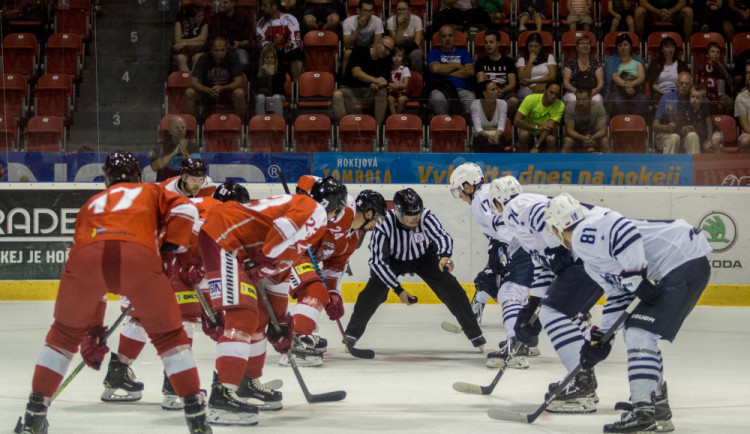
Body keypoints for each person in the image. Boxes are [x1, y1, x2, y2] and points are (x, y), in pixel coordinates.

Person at [16, 152, 211, 434]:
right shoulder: (151, 190)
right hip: (138, 257)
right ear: (139, 177)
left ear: (106, 179)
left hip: (85, 259)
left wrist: (93, 330)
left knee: (61, 338)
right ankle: (197, 420)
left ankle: (34, 416)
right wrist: (171, 252)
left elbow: (92, 276)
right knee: (171, 339)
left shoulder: (91, 204)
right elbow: (187, 211)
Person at [544, 192, 712, 433]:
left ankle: (643, 412)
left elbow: (625, 230)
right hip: (686, 262)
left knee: (638, 332)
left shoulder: (584, 232)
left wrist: (635, 276)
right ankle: (656, 406)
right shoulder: (591, 257)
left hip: (683, 260)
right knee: (640, 332)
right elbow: (618, 294)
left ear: (557, 227)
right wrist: (601, 339)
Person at [198, 179, 346, 424]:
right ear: (333, 205)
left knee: (260, 318)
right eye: (338, 209)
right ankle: (222, 394)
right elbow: (283, 227)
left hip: (239, 248)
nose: (337, 215)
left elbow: (279, 273)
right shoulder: (314, 210)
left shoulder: (307, 231)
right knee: (242, 316)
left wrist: (281, 322)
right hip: (226, 237)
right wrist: (266, 257)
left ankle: (246, 383)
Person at [101, 181, 250, 411]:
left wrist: (206, 302)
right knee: (185, 316)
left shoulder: (202, 205)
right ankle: (173, 387)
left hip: (139, 254)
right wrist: (186, 265)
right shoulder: (218, 214)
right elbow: (189, 240)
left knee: (141, 315)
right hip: (161, 256)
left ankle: (118, 373)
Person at [487, 176, 605, 414]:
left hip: (591, 250)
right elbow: (541, 265)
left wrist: (558, 247)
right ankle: (580, 378)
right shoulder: (525, 231)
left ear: (497, 202)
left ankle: (582, 384)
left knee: (555, 313)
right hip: (598, 251)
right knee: (571, 314)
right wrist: (531, 307)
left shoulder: (515, 208)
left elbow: (546, 213)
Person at [344, 188, 486, 352]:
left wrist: (445, 256)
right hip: (393, 260)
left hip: (424, 257)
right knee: (371, 293)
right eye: (409, 217)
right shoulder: (383, 224)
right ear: (398, 213)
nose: (414, 221)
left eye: (416, 216)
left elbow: (442, 236)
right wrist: (398, 290)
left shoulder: (426, 216)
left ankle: (475, 334)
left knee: (452, 288)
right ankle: (352, 334)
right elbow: (378, 263)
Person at [281, 184, 387, 367]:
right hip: (288, 247)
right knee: (315, 291)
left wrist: (333, 294)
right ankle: (296, 341)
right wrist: (305, 191)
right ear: (369, 213)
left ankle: (304, 331)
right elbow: (308, 181)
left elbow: (334, 270)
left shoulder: (352, 240)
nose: (375, 224)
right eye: (376, 218)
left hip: (300, 254)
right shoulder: (346, 208)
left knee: (317, 292)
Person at [448, 164, 537, 369]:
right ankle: (526, 341)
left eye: (459, 190)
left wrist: (505, 254)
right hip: (511, 246)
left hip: (514, 247)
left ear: (468, 186)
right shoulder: (487, 193)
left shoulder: (481, 199)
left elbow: (504, 227)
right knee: (495, 284)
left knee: (505, 290)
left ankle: (518, 344)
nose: (460, 196)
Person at [333, 36, 394, 126]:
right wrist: (374, 80)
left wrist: (377, 85)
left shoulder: (386, 60)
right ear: (378, 44)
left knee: (382, 92)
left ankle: (377, 130)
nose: (387, 53)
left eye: (390, 51)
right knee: (336, 94)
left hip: (369, 92)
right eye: (386, 48)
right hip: (350, 89)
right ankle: (345, 128)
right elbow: (356, 73)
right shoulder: (360, 51)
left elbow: (384, 81)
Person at [183, 37, 248, 120]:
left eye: (222, 50)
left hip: (227, 92)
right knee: (189, 92)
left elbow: (239, 80)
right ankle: (189, 126)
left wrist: (221, 88)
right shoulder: (203, 58)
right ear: (211, 49)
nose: (219, 53)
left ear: (226, 49)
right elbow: (193, 81)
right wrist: (208, 90)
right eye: (216, 50)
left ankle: (241, 126)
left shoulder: (232, 58)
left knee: (239, 93)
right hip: (207, 93)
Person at [426, 25, 475, 116]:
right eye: (444, 36)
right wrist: (457, 65)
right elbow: (435, 69)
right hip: (441, 89)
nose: (447, 39)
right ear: (439, 38)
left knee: (471, 98)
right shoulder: (433, 53)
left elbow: (470, 71)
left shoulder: (463, 53)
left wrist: (444, 71)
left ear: (454, 37)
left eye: (450, 35)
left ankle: (467, 126)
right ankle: (445, 125)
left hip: (462, 89)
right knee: (437, 98)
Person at [653, 71, 701, 154]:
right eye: (681, 83)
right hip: (666, 135)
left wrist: (692, 128)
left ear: (691, 86)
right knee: (674, 137)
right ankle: (670, 166)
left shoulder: (693, 100)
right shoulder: (667, 98)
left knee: (693, 136)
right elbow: (654, 126)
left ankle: (694, 166)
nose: (684, 86)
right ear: (676, 84)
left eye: (687, 84)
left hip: (683, 135)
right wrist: (666, 127)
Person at [256, 0, 303, 82]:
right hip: (272, 52)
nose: (261, 8)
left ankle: (296, 87)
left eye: (264, 5)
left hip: (286, 51)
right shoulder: (261, 23)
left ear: (274, 6)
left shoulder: (290, 19)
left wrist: (291, 44)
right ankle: (269, 88)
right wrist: (273, 44)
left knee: (297, 53)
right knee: (265, 53)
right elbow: (262, 43)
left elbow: (296, 40)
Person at [475, 30, 519, 118]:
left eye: (491, 42)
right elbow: (481, 82)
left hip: (504, 91)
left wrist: (502, 91)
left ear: (498, 43)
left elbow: (512, 83)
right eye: (486, 42)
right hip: (487, 93)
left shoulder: (508, 61)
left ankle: (503, 122)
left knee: (513, 101)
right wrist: (492, 92)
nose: (488, 45)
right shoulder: (480, 62)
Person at [604, 33, 647, 119]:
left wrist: (632, 84)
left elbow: (642, 77)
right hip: (617, 90)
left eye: (625, 45)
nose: (623, 47)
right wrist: (626, 85)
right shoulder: (611, 60)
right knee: (617, 101)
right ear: (617, 48)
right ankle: (622, 123)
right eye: (620, 45)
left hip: (635, 89)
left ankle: (636, 122)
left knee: (643, 99)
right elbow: (613, 76)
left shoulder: (637, 60)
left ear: (630, 46)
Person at [514, 82, 565, 153]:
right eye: (551, 92)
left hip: (544, 134)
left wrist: (536, 146)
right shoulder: (531, 99)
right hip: (529, 129)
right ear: (545, 90)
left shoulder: (560, 105)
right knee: (523, 135)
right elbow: (517, 121)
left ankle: (552, 163)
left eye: (556, 94)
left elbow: (548, 128)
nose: (553, 96)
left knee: (551, 139)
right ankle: (520, 161)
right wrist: (537, 127)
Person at [150, 115, 200, 182]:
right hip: (165, 184)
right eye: (176, 127)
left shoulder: (193, 146)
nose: (180, 130)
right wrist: (173, 153)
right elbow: (154, 167)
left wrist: (185, 153)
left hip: (186, 184)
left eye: (183, 127)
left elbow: (196, 168)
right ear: (170, 131)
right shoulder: (160, 146)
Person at [208, 0, 253, 72]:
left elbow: (248, 40)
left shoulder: (243, 17)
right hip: (221, 48)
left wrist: (240, 44)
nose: (222, 5)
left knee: (244, 62)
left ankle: (240, 81)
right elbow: (212, 37)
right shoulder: (217, 18)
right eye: (221, 2)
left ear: (233, 3)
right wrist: (223, 44)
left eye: (225, 2)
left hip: (238, 48)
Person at [562, 87, 609, 153]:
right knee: (567, 141)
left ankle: (607, 162)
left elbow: (602, 130)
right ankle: (563, 163)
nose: (581, 103)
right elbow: (569, 130)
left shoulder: (598, 107)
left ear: (590, 98)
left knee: (605, 141)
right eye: (578, 99)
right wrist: (583, 138)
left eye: (584, 99)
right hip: (577, 138)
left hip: (594, 137)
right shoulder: (570, 107)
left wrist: (592, 138)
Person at [561, 34, 604, 104]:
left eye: (587, 43)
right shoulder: (570, 62)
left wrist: (595, 91)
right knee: (572, 100)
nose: (585, 45)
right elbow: (566, 83)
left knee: (597, 99)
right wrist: (576, 92)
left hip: (592, 92)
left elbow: (601, 82)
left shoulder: (596, 62)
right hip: (573, 92)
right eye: (582, 43)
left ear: (590, 46)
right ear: (577, 47)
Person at [647, 36, 689, 105]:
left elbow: (686, 81)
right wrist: (663, 92)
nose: (670, 49)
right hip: (659, 93)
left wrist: (677, 92)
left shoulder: (681, 65)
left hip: (678, 93)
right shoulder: (655, 64)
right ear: (662, 49)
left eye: (672, 47)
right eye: (667, 47)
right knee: (666, 99)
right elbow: (652, 83)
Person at [516, 32, 557, 101]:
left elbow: (552, 77)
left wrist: (533, 81)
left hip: (545, 86)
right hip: (527, 88)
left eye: (536, 46)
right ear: (527, 46)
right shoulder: (522, 60)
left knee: (548, 95)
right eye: (530, 46)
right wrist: (530, 62)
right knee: (530, 98)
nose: (533, 49)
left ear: (540, 46)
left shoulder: (549, 57)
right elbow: (522, 79)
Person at [387, 0, 425, 73]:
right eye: (399, 9)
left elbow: (417, 43)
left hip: (412, 50)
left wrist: (403, 52)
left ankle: (416, 79)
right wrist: (400, 26)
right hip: (397, 50)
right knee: (391, 55)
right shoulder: (391, 21)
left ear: (409, 10)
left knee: (417, 54)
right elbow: (397, 42)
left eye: (404, 9)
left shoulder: (416, 20)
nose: (401, 12)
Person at [470, 80, 508, 152]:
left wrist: (496, 137)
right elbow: (478, 128)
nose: (497, 92)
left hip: (497, 134)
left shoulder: (503, 104)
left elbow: (501, 127)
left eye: (497, 88)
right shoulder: (475, 104)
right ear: (484, 93)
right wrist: (488, 137)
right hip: (482, 136)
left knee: (500, 143)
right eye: (493, 90)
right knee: (484, 144)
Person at [696, 41, 733, 113]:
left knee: (729, 101)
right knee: (704, 101)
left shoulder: (724, 68)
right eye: (712, 52)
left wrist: (723, 69)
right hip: (706, 94)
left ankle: (729, 122)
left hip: (721, 95)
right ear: (707, 54)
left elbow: (730, 84)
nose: (715, 54)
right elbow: (698, 85)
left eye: (717, 52)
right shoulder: (702, 68)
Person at [172, 3, 208, 72]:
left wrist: (184, 43)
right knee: (180, 58)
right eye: (199, 16)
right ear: (192, 18)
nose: (202, 17)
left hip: (198, 50)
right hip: (183, 51)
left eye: (202, 15)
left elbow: (203, 41)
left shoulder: (204, 24)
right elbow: (177, 41)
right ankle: (187, 80)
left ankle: (193, 80)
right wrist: (197, 41)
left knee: (197, 57)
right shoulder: (180, 23)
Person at [689, 85, 725, 153]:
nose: (694, 99)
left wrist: (709, 141)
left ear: (702, 99)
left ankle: (720, 158)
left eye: (697, 98)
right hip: (703, 136)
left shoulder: (704, 109)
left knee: (714, 143)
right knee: (707, 148)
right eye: (692, 97)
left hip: (715, 132)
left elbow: (709, 127)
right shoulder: (689, 109)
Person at [254, 43, 287, 116]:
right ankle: (260, 124)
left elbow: (279, 88)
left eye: (272, 58)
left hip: (278, 94)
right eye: (267, 58)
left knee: (276, 97)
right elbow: (256, 88)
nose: (269, 60)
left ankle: (278, 124)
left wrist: (273, 75)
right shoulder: (257, 67)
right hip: (261, 94)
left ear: (275, 58)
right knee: (260, 98)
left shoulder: (280, 67)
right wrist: (265, 74)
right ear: (262, 58)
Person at [387, 46, 411, 115]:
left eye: (399, 56)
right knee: (390, 99)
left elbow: (405, 85)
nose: (397, 58)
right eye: (394, 56)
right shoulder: (389, 70)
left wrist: (395, 86)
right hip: (392, 93)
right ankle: (393, 118)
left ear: (403, 58)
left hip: (403, 93)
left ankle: (397, 117)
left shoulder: (405, 69)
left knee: (401, 99)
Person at [735, 61, 750, 152]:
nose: (749, 75)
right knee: (745, 141)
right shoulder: (740, 98)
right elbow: (744, 124)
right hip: (748, 133)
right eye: (748, 73)